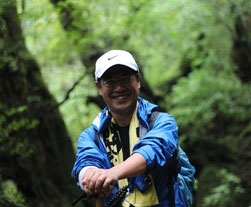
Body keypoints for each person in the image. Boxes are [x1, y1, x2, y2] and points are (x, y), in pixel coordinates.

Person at [71, 50, 194, 207]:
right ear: (99, 88)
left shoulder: (162, 122)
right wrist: (90, 178)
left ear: (138, 80)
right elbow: (86, 161)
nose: (119, 88)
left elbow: (152, 150)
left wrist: (112, 174)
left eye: (125, 79)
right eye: (110, 82)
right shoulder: (91, 136)